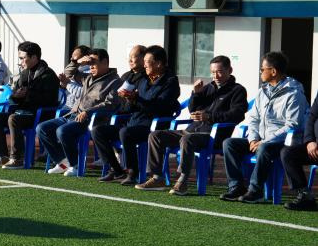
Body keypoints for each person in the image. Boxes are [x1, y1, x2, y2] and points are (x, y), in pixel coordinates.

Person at [135, 55, 248, 194]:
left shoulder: (237, 90)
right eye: (213, 72)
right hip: (191, 130)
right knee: (155, 135)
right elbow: (193, 109)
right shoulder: (208, 88)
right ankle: (157, 177)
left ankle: (182, 181)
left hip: (213, 135)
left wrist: (210, 117)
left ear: (230, 70)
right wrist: (196, 93)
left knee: (187, 139)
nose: (216, 76)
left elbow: (238, 115)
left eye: (219, 72)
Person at [221, 52, 307, 204]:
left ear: (273, 71)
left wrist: (264, 141)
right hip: (260, 140)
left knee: (265, 148)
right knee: (229, 143)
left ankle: (255, 191)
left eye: (262, 69)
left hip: (282, 142)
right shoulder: (263, 91)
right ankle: (236, 187)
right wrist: (253, 138)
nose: (260, 72)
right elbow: (253, 118)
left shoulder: (294, 93)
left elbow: (292, 125)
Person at [94, 45, 180, 185]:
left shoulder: (170, 82)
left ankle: (132, 172)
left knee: (125, 132)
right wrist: (128, 99)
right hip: (134, 122)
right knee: (98, 131)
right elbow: (132, 107)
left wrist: (136, 99)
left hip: (153, 126)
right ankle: (116, 170)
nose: (144, 64)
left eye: (147, 61)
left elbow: (158, 108)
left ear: (158, 63)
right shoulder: (145, 80)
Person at [36, 48, 121, 176]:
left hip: (91, 119)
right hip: (72, 114)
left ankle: (75, 165)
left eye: (94, 62)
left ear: (105, 62)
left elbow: (109, 104)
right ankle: (63, 162)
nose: (91, 65)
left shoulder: (115, 81)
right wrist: (76, 62)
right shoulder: (88, 78)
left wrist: (88, 112)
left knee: (62, 131)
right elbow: (68, 73)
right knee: (42, 128)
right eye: (89, 62)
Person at [0, 41, 59, 169]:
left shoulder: (48, 75)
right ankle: (2, 156)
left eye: (22, 58)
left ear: (34, 57)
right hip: (23, 112)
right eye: (19, 58)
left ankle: (17, 158)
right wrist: (16, 96)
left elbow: (50, 100)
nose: (20, 62)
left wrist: (28, 95)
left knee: (13, 118)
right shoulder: (25, 73)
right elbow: (14, 97)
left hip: (41, 115)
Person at [280, 88, 318, 210]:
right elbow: (311, 117)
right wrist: (310, 141)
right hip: (315, 146)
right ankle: (305, 195)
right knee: (288, 153)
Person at [59, 45, 91, 109]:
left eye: (75, 58)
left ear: (84, 58)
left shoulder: (89, 73)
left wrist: (67, 84)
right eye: (71, 56)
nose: (71, 59)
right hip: (66, 105)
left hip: (77, 110)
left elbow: (85, 93)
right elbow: (66, 73)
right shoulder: (74, 69)